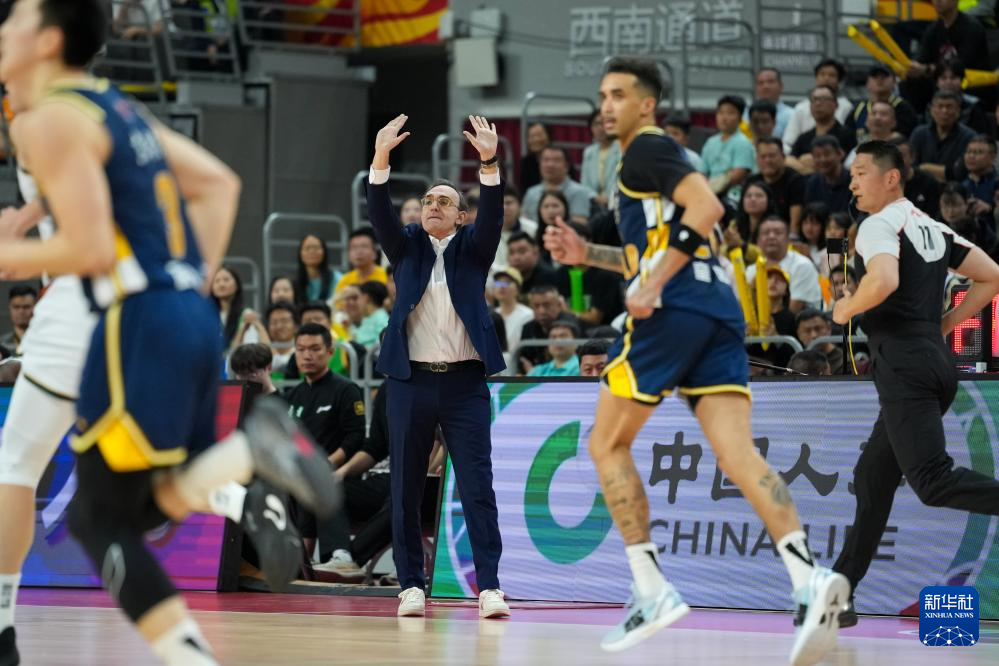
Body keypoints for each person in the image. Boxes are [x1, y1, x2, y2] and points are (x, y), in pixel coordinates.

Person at [0, 4, 339, 665]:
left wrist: (14, 252)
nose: (3, 29)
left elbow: (91, 246)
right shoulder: (117, 107)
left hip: (120, 316)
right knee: (139, 505)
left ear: (47, 40)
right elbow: (219, 184)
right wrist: (184, 281)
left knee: (43, 480)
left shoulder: (43, 118)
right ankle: (238, 476)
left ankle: (4, 631)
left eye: (14, 19)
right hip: (186, 311)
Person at [544, 56, 846, 662]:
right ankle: (808, 577)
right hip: (717, 309)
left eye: (619, 94)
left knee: (606, 444)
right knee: (737, 455)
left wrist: (654, 283)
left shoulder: (645, 148)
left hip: (673, 308)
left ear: (646, 104)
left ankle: (651, 588)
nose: (607, 105)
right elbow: (670, 241)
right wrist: (589, 255)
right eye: (602, 95)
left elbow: (708, 209)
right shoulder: (656, 166)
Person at [830, 139, 999, 628]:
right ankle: (838, 595)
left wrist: (844, 308)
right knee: (872, 476)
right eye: (851, 174)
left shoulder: (877, 225)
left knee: (932, 481)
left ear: (891, 178)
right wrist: (944, 326)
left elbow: (883, 281)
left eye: (860, 172)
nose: (852, 182)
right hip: (932, 360)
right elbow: (991, 276)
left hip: (905, 363)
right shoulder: (932, 226)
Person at [367, 113, 510, 619]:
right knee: (405, 487)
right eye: (428, 200)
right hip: (410, 382)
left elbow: (493, 214)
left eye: (444, 201)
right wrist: (381, 158)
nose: (433, 206)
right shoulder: (405, 245)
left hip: (465, 383)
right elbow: (379, 211)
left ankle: (489, 586)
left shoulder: (474, 248)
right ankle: (410, 585)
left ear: (460, 216)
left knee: (477, 485)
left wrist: (489, 162)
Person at [284, 324, 365, 573]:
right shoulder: (293, 396)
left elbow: (355, 438)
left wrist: (327, 463)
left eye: (314, 349)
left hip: (340, 475)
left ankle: (338, 555)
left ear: (330, 352)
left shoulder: (346, 389)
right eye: (301, 350)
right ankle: (291, 561)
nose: (307, 355)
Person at [747, 216, 823, 312]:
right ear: (757, 241)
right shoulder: (751, 270)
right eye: (766, 233)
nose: (771, 236)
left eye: (778, 233)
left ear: (788, 240)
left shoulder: (802, 265)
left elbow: (794, 310)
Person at [783, 58, 854, 154]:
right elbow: (788, 142)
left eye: (832, 75)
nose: (826, 78)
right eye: (822, 74)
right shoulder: (801, 108)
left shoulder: (847, 107)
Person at [699, 94, 755, 205]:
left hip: (733, 195)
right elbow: (701, 172)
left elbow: (738, 174)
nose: (724, 118)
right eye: (721, 113)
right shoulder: (711, 142)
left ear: (740, 118)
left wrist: (712, 188)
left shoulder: (743, 142)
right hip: (708, 192)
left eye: (730, 113)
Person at [910, 89, 976, 183]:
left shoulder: (969, 136)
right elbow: (911, 167)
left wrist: (925, 167)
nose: (944, 111)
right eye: (940, 106)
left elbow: (960, 172)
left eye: (949, 107)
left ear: (958, 111)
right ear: (932, 110)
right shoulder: (919, 133)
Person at [788, 86, 856, 172]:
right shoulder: (804, 137)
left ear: (836, 105)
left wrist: (813, 161)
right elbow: (788, 160)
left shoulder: (847, 135)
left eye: (823, 99)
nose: (818, 104)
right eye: (814, 100)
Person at [521, 145, 594, 224]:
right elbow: (524, 222)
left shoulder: (579, 192)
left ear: (566, 166)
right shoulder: (531, 193)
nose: (550, 165)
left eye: (556, 160)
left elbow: (579, 225)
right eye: (546, 160)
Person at [745, 137, 805, 233]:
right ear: (757, 159)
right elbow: (742, 217)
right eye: (763, 156)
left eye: (772, 156)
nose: (768, 160)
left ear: (783, 157)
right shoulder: (751, 182)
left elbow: (795, 224)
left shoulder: (795, 181)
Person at [846, 65, 918, 141]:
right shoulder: (859, 109)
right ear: (867, 83)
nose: (879, 79)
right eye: (875, 77)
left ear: (894, 82)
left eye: (884, 76)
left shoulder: (903, 108)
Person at [211, 266, 265, 354]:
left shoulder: (246, 314)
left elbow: (251, 347)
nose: (221, 284)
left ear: (237, 285)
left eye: (226, 280)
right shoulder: (207, 316)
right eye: (217, 281)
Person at [491, 185, 537, 272]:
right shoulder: (485, 234)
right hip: (499, 279)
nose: (504, 208)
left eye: (508, 203)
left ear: (520, 206)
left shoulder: (533, 229)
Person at [581, 109, 620, 210]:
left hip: (616, 202)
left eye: (603, 123)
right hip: (594, 203)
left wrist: (609, 198)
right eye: (596, 124)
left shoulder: (621, 149)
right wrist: (595, 197)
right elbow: (585, 183)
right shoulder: (589, 152)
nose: (600, 128)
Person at [895, 136, 942, 218]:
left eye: (902, 156)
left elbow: (933, 217)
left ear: (912, 158)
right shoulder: (882, 184)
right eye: (894, 157)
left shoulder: (929, 183)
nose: (897, 161)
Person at [804, 136, 852, 215]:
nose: (822, 159)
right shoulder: (812, 182)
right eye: (817, 156)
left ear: (840, 154)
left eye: (827, 154)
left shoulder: (853, 181)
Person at [492, 266, 533, 356]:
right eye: (498, 283)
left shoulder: (528, 315)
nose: (501, 287)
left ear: (518, 289)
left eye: (507, 283)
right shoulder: (491, 315)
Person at [844, 101, 898, 168]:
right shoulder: (858, 150)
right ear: (866, 122)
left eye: (883, 114)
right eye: (873, 113)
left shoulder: (900, 147)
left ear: (894, 122)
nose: (877, 117)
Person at [334, 227, 387, 294]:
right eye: (354, 247)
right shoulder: (345, 281)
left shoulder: (387, 277)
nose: (359, 251)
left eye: (364, 246)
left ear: (375, 253)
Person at [747, 67, 794, 139]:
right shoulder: (745, 115)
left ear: (781, 86)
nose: (765, 86)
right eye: (761, 83)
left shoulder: (791, 116)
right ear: (756, 88)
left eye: (770, 82)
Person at [294, 234, 341, 304]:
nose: (312, 251)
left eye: (316, 248)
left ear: (324, 252)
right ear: (300, 254)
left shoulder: (337, 279)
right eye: (307, 248)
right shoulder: (294, 283)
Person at [506, 232, 557, 296]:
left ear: (536, 252)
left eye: (522, 251)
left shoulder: (548, 277)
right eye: (511, 253)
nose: (516, 257)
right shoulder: (506, 278)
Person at [0, 286, 35, 353]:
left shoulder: (45, 342)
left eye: (26, 307)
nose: (21, 312)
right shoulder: (1, 344)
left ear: (35, 307)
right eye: (16, 307)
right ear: (10, 308)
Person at [519, 121, 550, 193]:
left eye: (539, 135)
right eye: (532, 136)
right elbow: (524, 190)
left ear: (549, 137)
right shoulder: (526, 162)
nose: (536, 139)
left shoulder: (559, 156)